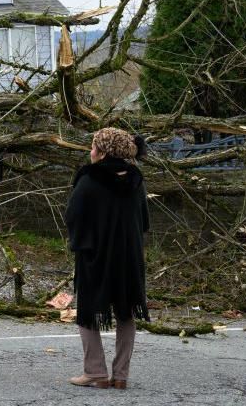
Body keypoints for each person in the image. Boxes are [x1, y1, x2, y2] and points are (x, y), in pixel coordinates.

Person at [64, 127, 150, 389]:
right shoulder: (136, 180)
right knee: (126, 311)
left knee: (88, 311)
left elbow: (73, 216)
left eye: (93, 147)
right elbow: (144, 220)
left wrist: (81, 243)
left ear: (102, 153)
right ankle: (121, 375)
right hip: (129, 257)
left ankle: (95, 371)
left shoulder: (89, 179)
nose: (90, 152)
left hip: (96, 256)